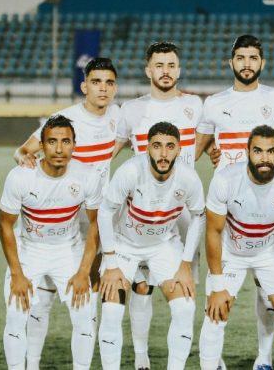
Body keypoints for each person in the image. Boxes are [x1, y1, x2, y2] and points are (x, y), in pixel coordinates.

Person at [12, 57, 119, 369]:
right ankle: (32, 362)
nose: (103, 88)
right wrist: (23, 159)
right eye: (96, 82)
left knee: (89, 294)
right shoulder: (65, 119)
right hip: (61, 220)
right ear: (84, 86)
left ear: (114, 88)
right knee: (43, 297)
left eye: (109, 83)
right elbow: (24, 150)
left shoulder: (118, 116)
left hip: (96, 221)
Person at [112, 41, 204, 370]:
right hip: (142, 212)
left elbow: (212, 137)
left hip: (183, 210)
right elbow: (109, 151)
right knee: (142, 285)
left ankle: (211, 355)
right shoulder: (131, 110)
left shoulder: (195, 105)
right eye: (159, 65)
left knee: (185, 285)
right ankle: (142, 357)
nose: (165, 71)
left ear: (179, 70)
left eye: (171, 65)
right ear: (148, 70)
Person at [198, 125, 274, 370]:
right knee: (216, 311)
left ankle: (272, 363)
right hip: (231, 252)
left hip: (270, 252)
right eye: (258, 151)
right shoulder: (225, 180)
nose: (265, 158)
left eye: (271, 151)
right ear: (247, 152)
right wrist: (217, 286)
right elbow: (213, 232)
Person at [96, 122, 205, 370]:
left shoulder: (188, 177)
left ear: (179, 149)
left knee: (185, 308)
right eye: (157, 146)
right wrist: (111, 264)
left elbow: (199, 215)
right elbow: (105, 212)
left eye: (170, 146)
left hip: (163, 245)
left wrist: (186, 264)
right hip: (124, 244)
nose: (163, 153)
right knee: (111, 311)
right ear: (147, 148)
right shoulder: (130, 171)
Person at [0, 115, 103, 370]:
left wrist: (83, 271)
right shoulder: (20, 177)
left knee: (85, 319)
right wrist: (17, 273)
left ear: (74, 144)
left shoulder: (87, 176)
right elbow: (5, 226)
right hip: (29, 250)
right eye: (52, 142)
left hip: (68, 250)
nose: (59, 149)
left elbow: (96, 224)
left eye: (65, 141)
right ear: (42, 146)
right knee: (15, 317)